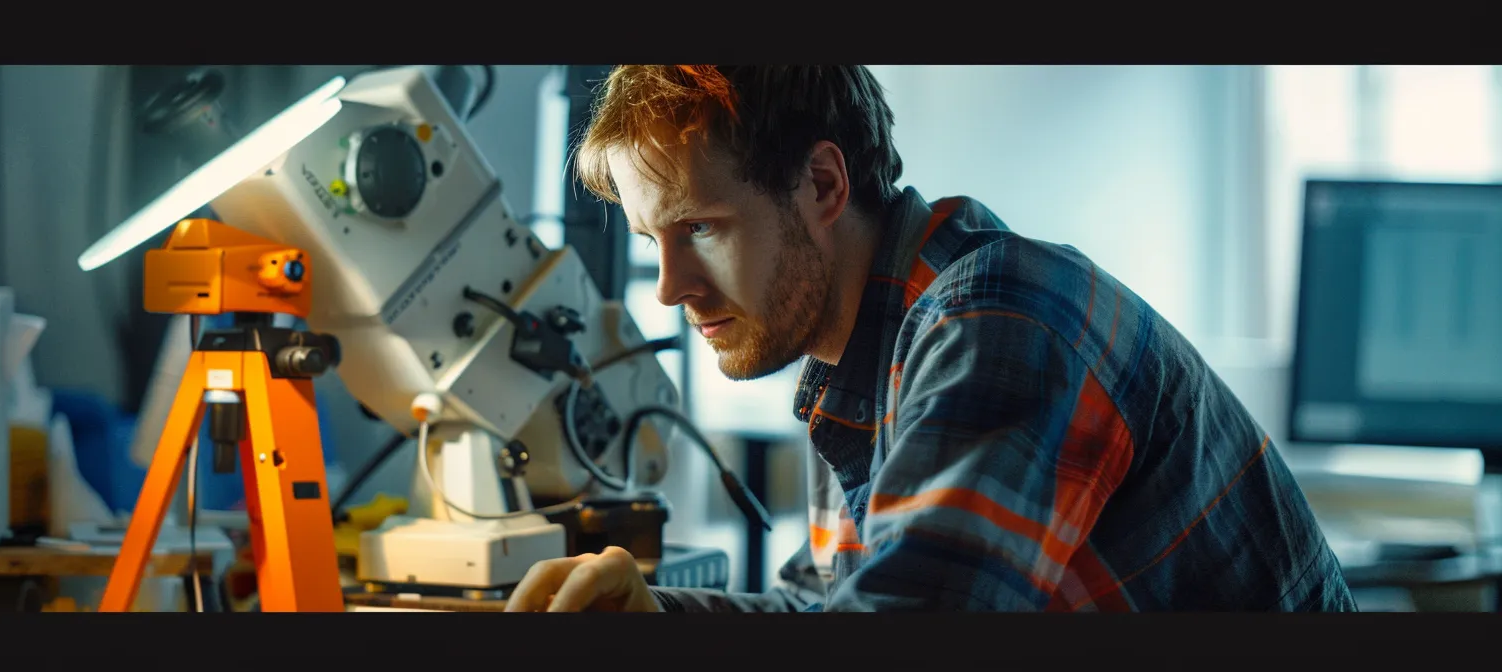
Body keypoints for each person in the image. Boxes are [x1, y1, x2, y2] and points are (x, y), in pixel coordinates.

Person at [502, 65, 1357, 612]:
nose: (669, 288)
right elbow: (827, 609)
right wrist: (655, 615)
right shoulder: (866, 361)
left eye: (702, 229)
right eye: (656, 242)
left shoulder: (998, 317)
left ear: (825, 184)